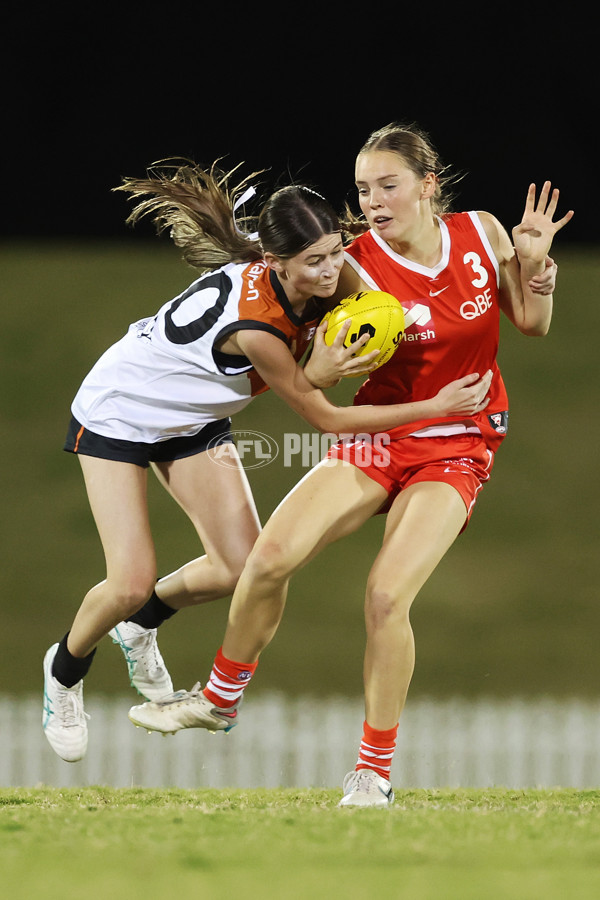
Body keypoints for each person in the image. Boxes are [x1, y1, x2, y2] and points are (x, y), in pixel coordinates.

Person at [128, 123, 573, 806]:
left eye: (388, 185)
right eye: (363, 189)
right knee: (269, 558)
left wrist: (538, 269)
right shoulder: (355, 265)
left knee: (387, 596)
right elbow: (319, 375)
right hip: (382, 434)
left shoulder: (482, 233)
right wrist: (324, 365)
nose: (373, 201)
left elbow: (532, 322)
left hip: (459, 443)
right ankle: (218, 701)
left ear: (428, 185)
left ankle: (372, 772)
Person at [42, 156, 494, 763]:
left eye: (337, 250)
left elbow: (368, 324)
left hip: (193, 419)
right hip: (122, 413)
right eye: (317, 261)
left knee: (238, 567)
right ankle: (66, 671)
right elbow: (325, 418)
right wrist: (431, 405)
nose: (335, 269)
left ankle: (142, 623)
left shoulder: (320, 267)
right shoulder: (258, 325)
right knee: (128, 581)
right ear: (275, 263)